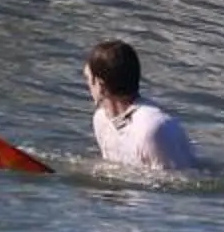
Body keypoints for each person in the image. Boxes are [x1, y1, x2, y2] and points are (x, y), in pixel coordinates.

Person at [83, 39, 202, 172]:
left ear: (100, 86)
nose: (87, 85)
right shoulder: (101, 120)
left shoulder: (154, 128)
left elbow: (183, 182)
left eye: (88, 79)